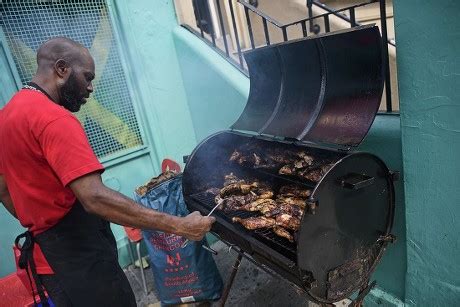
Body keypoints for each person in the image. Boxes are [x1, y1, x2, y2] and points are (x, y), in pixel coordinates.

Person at [0, 37, 215, 307]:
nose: (91, 87)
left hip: (50, 264)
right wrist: (179, 225)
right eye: (87, 77)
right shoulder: (54, 119)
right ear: (62, 69)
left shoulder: (6, 116)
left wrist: (42, 220)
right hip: (83, 259)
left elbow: (4, 190)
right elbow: (94, 198)